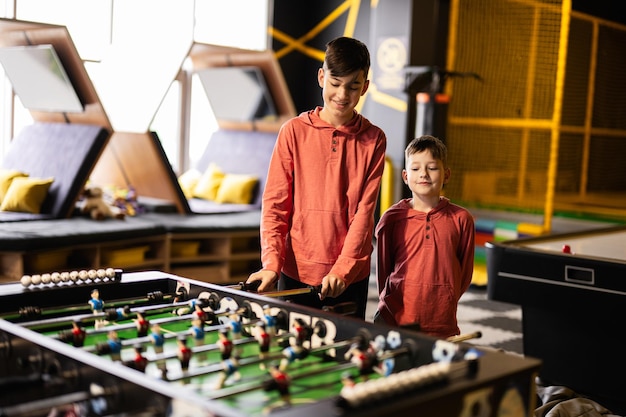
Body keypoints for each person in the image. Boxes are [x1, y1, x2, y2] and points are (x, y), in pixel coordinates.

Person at [246, 36, 387, 319]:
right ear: (322, 77)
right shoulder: (293, 132)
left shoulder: (374, 139)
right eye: (335, 83)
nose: (342, 95)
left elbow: (364, 215)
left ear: (365, 87)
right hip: (295, 271)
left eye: (353, 86)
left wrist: (342, 270)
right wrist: (272, 262)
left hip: (348, 278)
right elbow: (275, 205)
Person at [374, 135, 475, 339]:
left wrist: (446, 296)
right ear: (405, 176)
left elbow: (464, 274)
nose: (424, 174)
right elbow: (383, 271)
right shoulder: (392, 218)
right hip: (396, 318)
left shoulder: (461, 219)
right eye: (415, 168)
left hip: (441, 321)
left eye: (432, 167)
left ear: (446, 175)